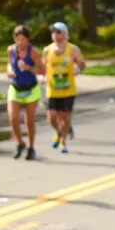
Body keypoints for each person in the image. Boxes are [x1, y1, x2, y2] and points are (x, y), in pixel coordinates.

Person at [43, 22, 86, 154]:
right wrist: (42, 77)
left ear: (66, 34)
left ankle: (63, 142)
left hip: (68, 89)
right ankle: (58, 132)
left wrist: (78, 69)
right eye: (53, 32)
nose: (55, 35)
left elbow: (82, 64)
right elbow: (43, 67)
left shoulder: (73, 49)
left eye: (59, 32)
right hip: (52, 88)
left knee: (65, 117)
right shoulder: (47, 50)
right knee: (52, 116)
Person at [7, 25, 44, 161]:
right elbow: (9, 63)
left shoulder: (33, 52)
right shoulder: (11, 50)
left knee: (29, 120)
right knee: (13, 118)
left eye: (23, 39)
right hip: (15, 88)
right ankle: (21, 143)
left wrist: (29, 67)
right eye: (17, 39)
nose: (20, 42)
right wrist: (10, 70)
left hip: (31, 89)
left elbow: (43, 71)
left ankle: (31, 147)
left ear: (28, 39)